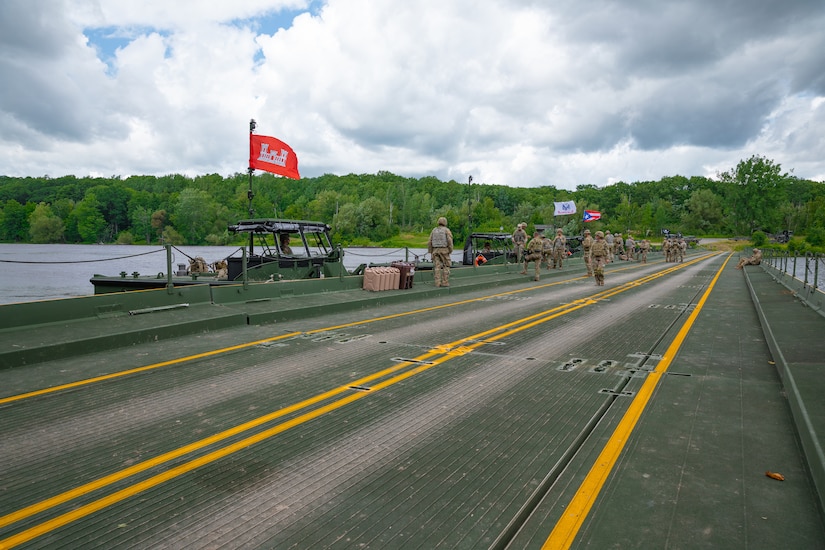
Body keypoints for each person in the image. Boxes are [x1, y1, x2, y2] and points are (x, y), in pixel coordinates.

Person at [428, 216, 454, 287]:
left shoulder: (434, 230)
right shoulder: (446, 230)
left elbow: (429, 241)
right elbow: (450, 241)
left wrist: (430, 251)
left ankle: (437, 283)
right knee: (447, 265)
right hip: (444, 250)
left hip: (435, 250)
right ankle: (445, 282)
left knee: (437, 267)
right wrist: (450, 250)